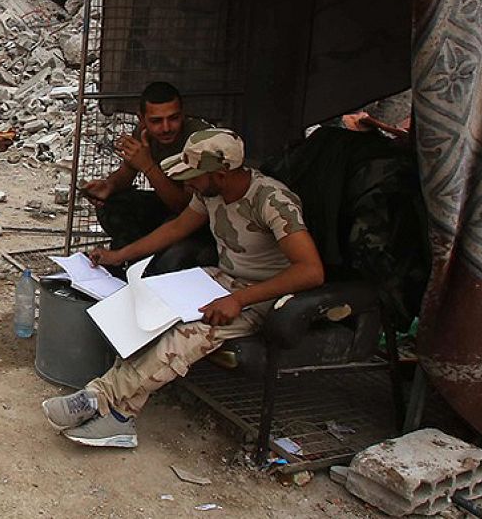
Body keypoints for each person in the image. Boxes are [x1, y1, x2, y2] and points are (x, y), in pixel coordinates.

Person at [42, 128, 324, 448]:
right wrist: (118, 255)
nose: (187, 184)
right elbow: (176, 228)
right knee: (147, 312)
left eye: (193, 176)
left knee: (185, 336)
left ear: (220, 174)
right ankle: (120, 418)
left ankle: (98, 398)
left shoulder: (272, 200)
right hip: (219, 279)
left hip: (262, 295)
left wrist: (239, 299)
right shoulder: (210, 192)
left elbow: (311, 271)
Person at [81, 82, 211, 248]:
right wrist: (109, 186)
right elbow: (126, 172)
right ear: (142, 119)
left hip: (196, 217)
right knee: (113, 205)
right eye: (156, 121)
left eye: (173, 118)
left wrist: (148, 166)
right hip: (167, 207)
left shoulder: (198, 140)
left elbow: (184, 206)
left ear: (183, 115)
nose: (166, 128)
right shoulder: (143, 132)